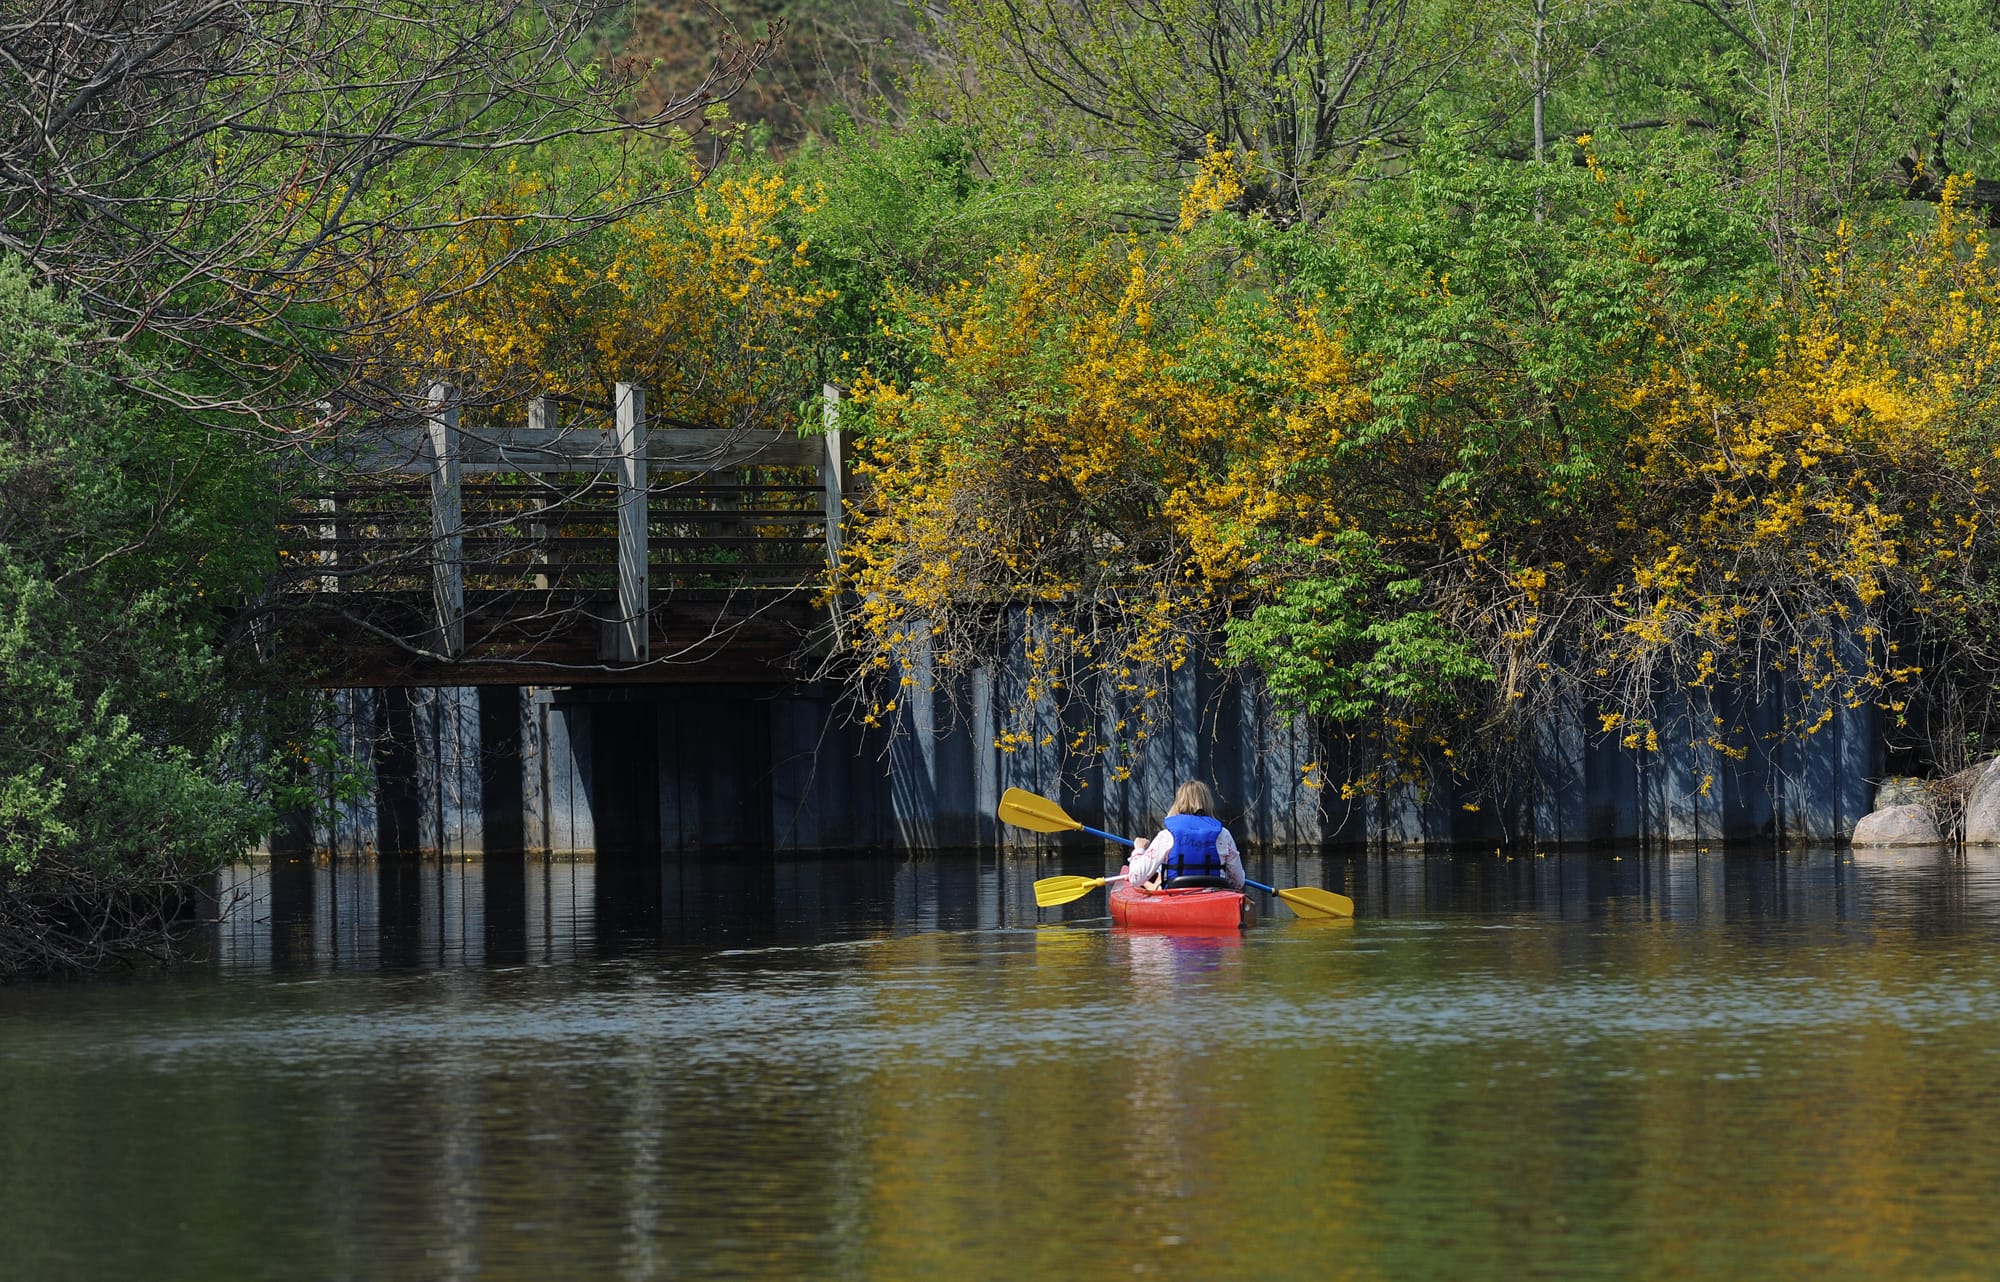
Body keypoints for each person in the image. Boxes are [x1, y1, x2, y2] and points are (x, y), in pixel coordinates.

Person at [1126, 780, 1245, 892]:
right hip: (1214, 899)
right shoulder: (1224, 835)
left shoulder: (1167, 836)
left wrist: (1139, 850)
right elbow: (1238, 882)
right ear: (1208, 803)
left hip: (1175, 900)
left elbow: (1135, 879)